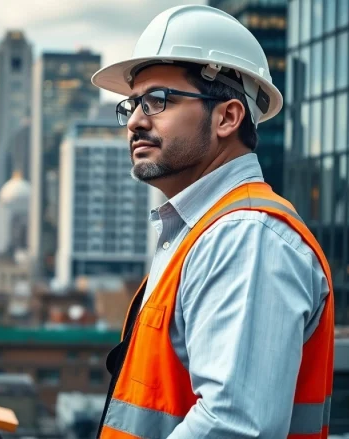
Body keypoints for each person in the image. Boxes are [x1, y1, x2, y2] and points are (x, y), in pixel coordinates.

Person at [91, 5, 334, 439]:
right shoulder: (204, 230)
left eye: (157, 100)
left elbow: (236, 426)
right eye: (132, 103)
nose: (134, 121)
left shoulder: (245, 237)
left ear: (227, 117)